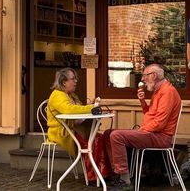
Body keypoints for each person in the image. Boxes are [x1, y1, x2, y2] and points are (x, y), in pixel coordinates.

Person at [104, 63, 181, 191]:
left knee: (116, 136)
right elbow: (150, 115)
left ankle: (125, 181)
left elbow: (159, 124)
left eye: (145, 75)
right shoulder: (158, 91)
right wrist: (142, 102)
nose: (143, 79)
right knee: (108, 133)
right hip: (152, 133)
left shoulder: (167, 92)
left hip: (160, 137)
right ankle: (116, 173)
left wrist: (142, 130)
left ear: (154, 75)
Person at [47, 67, 111, 183]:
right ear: (64, 82)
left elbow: (79, 110)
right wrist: (91, 108)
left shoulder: (72, 95)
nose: (76, 81)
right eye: (73, 79)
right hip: (64, 133)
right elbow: (69, 110)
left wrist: (90, 106)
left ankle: (103, 173)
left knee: (100, 138)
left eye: (75, 78)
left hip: (76, 130)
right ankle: (94, 177)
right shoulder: (57, 95)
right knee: (93, 141)